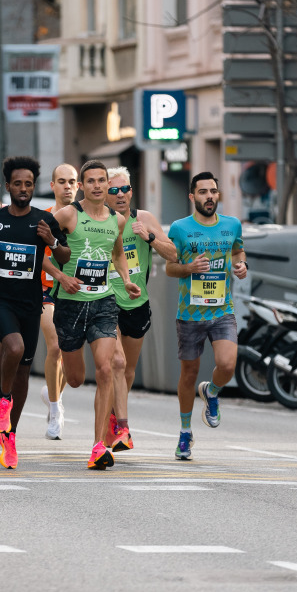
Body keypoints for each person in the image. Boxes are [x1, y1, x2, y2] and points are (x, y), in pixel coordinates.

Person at [0, 156, 69, 471]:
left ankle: (10, 438)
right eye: (18, 183)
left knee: (25, 371)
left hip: (31, 302)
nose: (23, 188)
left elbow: (65, 256)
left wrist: (52, 240)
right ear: (9, 185)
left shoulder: (44, 220)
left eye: (29, 184)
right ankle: (2, 401)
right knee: (14, 348)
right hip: (0, 300)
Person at [48, 160, 140, 471]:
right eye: (92, 181)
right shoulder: (68, 215)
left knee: (105, 369)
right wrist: (61, 278)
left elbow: (117, 254)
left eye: (102, 180)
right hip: (70, 305)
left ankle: (99, 445)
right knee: (75, 379)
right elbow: (39, 252)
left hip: (103, 301)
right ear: (82, 186)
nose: (98, 186)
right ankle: (68, 379)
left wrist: (125, 279)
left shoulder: (118, 220)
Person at [166, 172, 247, 461]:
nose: (209, 196)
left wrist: (241, 266)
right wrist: (189, 268)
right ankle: (185, 433)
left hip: (222, 310)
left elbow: (238, 252)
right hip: (189, 313)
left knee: (227, 365)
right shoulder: (179, 229)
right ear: (192, 197)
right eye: (203, 192)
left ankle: (211, 392)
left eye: (213, 191)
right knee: (188, 373)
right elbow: (169, 268)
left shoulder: (232, 225)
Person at [105, 167, 177, 451]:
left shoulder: (143, 218)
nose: (121, 195)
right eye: (114, 190)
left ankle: (112, 415)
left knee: (128, 369)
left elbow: (173, 254)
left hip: (137, 300)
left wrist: (148, 237)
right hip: (106, 300)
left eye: (125, 189)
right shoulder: (98, 222)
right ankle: (121, 426)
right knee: (117, 363)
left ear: (132, 191)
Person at [40, 163, 79, 440]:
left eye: (72, 182)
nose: (67, 186)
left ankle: (54, 391)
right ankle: (55, 410)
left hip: (77, 291)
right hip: (46, 289)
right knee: (55, 344)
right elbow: (35, 254)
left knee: (69, 349)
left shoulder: (87, 219)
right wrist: (56, 274)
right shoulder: (41, 218)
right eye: (62, 181)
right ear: (52, 186)